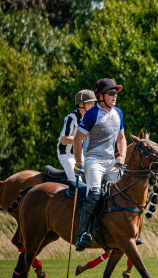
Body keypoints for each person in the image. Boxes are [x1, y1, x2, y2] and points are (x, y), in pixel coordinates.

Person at [73, 78, 127, 251]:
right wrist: (79, 163)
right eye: (111, 93)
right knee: (95, 194)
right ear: (100, 96)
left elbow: (121, 138)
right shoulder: (92, 114)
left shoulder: (118, 112)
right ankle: (82, 234)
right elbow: (78, 138)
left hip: (111, 162)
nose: (114, 96)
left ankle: (124, 232)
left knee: (123, 192)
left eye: (116, 93)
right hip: (93, 161)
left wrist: (123, 155)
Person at [57, 90, 97, 182]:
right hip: (67, 154)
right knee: (76, 180)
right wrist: (82, 137)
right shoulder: (72, 118)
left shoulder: (89, 118)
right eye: (90, 103)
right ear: (81, 105)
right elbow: (64, 140)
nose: (93, 106)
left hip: (80, 154)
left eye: (93, 103)